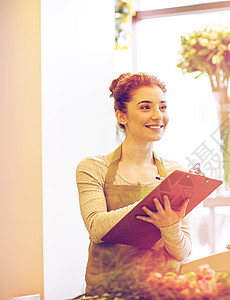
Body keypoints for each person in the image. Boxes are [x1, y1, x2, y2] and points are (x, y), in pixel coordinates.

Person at [76, 72, 192, 293]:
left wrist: (170, 226)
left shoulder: (176, 173)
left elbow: (183, 252)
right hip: (108, 293)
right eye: (146, 107)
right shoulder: (93, 168)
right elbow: (96, 228)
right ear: (122, 116)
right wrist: (154, 202)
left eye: (163, 107)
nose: (158, 116)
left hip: (163, 293)